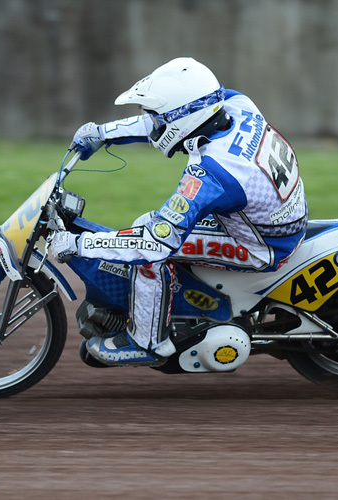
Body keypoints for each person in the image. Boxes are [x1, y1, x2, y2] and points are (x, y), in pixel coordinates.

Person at [51, 57, 308, 366]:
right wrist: (104, 133)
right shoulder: (236, 105)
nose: (153, 123)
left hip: (261, 245)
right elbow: (178, 115)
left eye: (158, 118)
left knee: (150, 245)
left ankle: (147, 342)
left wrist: (80, 244)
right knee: (153, 232)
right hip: (269, 216)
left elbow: (155, 241)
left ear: (182, 119)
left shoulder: (213, 173)